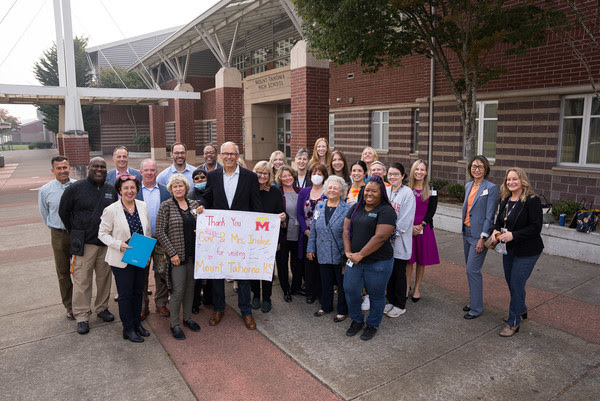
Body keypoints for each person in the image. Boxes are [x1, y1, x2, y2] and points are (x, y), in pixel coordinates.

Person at [203, 141, 263, 330]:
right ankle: (219, 308)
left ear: (238, 156)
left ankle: (246, 311)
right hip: (219, 234)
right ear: (220, 155)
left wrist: (260, 231)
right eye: (225, 154)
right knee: (218, 273)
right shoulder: (212, 176)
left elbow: (256, 205)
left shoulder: (249, 177)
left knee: (243, 273)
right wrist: (202, 207)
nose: (229, 157)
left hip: (242, 235)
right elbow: (207, 197)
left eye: (232, 154)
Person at [58, 157, 118, 335]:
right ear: (88, 168)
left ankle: (102, 308)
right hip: (84, 244)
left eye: (103, 167)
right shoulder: (75, 189)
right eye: (96, 166)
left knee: (104, 279)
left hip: (105, 244)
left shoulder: (110, 190)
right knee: (82, 280)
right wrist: (76, 230)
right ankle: (82, 316)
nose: (99, 169)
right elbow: (64, 211)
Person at [490, 167, 544, 337]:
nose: (511, 182)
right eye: (508, 179)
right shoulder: (505, 199)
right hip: (508, 249)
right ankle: (521, 309)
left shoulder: (532, 200)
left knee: (516, 283)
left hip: (528, 250)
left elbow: (536, 227)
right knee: (511, 282)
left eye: (515, 179)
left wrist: (514, 235)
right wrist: (494, 230)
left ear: (522, 180)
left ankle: (514, 322)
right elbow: (500, 221)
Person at [98, 175, 152, 343]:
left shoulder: (142, 206)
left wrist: (148, 253)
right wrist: (117, 244)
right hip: (121, 258)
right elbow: (102, 234)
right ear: (119, 191)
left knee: (138, 292)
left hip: (139, 256)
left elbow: (147, 230)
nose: (130, 191)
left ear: (137, 189)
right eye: (126, 188)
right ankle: (128, 328)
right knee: (125, 294)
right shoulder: (111, 209)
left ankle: (137, 324)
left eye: (132, 188)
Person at [343, 176, 396, 341]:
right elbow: (345, 230)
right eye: (367, 190)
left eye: (374, 191)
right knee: (350, 290)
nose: (370, 194)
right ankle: (357, 320)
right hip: (355, 261)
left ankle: (372, 324)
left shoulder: (387, 211)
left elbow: (380, 237)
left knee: (376, 294)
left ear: (381, 193)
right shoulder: (356, 208)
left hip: (378, 262)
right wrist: (348, 252)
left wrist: (360, 254)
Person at [156, 174, 202, 340]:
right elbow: (160, 231)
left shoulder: (195, 205)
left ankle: (187, 318)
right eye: (175, 186)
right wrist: (172, 253)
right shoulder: (166, 206)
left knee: (191, 289)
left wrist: (202, 218)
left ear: (186, 187)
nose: (178, 189)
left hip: (193, 255)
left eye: (181, 186)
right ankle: (174, 324)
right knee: (178, 290)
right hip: (177, 256)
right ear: (171, 189)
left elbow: (203, 226)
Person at [306, 176, 350, 322]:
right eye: (329, 187)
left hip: (340, 253)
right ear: (325, 190)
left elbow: (350, 233)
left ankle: (342, 310)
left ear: (341, 191)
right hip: (323, 251)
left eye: (335, 188)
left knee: (342, 283)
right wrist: (310, 248)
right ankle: (326, 306)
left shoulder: (347, 208)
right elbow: (313, 230)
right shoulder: (319, 206)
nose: (332, 190)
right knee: (325, 281)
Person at [38, 155, 75, 320]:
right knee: (63, 272)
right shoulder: (45, 190)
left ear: (69, 168)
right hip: (58, 235)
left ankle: (81, 302)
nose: (62, 171)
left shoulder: (78, 186)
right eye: (59, 168)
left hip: (77, 234)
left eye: (65, 167)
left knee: (81, 271)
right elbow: (44, 214)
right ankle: (70, 305)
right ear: (53, 170)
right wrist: (56, 227)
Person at [462, 155, 499, 319]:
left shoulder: (491, 188)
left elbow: (490, 216)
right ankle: (473, 300)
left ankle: (476, 308)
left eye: (480, 167)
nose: (476, 169)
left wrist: (483, 238)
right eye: (474, 166)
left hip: (479, 236)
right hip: (466, 232)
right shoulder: (468, 185)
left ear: (486, 170)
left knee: (473, 270)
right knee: (469, 271)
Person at [136, 159, 171, 319]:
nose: (149, 173)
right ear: (141, 172)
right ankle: (143, 306)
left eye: (152, 170)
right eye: (146, 170)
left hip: (161, 237)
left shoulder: (165, 191)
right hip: (140, 239)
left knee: (162, 272)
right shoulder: (133, 191)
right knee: (139, 274)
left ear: (156, 172)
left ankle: (161, 303)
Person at [251, 161, 286, 313]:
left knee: (267, 270)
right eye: (259, 172)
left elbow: (280, 213)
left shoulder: (274, 192)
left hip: (268, 239)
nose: (262, 176)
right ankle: (256, 296)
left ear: (270, 175)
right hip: (250, 237)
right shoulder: (248, 190)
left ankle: (267, 298)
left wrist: (283, 219)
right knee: (252, 269)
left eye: (265, 173)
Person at [406, 159, 440, 302]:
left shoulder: (431, 189)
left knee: (421, 260)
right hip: (408, 228)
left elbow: (432, 210)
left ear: (426, 172)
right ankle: (406, 286)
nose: (419, 172)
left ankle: (417, 288)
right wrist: (410, 226)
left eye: (422, 169)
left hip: (424, 229)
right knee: (408, 260)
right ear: (413, 171)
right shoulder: (406, 188)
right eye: (417, 169)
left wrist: (422, 225)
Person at [384, 163, 416, 318]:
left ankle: (400, 304)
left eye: (396, 174)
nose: (392, 177)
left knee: (399, 272)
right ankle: (390, 301)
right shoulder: (386, 190)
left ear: (403, 176)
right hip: (385, 241)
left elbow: (405, 219)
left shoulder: (408, 193)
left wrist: (390, 233)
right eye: (390, 174)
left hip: (399, 240)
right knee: (389, 272)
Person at [297, 162, 329, 304]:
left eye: (320, 174)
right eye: (314, 173)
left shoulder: (328, 192)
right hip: (307, 235)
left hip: (323, 236)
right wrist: (306, 230)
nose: (317, 176)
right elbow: (299, 213)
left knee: (321, 265)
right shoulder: (304, 192)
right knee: (309, 265)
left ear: (324, 176)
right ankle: (310, 292)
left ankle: (321, 293)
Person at [276, 166, 303, 302]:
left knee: (297, 262)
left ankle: (296, 287)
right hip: (283, 234)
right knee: (282, 263)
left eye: (289, 175)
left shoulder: (301, 191)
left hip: (298, 233)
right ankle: (286, 289)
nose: (287, 178)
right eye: (284, 176)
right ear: (280, 178)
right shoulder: (277, 193)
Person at [188, 167, 210, 314]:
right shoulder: (190, 195)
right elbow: (189, 215)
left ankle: (209, 298)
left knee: (211, 271)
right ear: (193, 181)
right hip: (197, 239)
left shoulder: (211, 193)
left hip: (212, 238)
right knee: (197, 273)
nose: (200, 180)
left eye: (203, 177)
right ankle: (195, 302)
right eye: (197, 178)